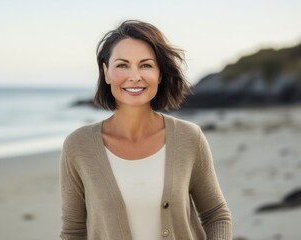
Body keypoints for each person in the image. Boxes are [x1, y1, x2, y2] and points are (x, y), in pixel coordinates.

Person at [60, 20, 232, 240]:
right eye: (122, 65)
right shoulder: (78, 146)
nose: (135, 76)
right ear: (106, 72)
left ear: (159, 74)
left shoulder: (189, 138)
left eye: (146, 65)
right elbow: (73, 232)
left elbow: (216, 214)